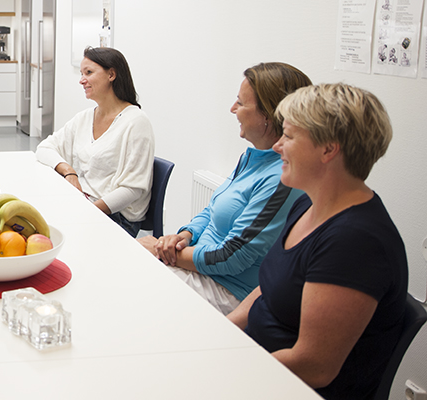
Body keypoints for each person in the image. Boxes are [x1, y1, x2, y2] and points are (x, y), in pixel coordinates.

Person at [227, 83, 408, 399]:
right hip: (260, 367)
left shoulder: (356, 242)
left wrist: (228, 373)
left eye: (290, 136)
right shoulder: (307, 204)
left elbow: (314, 366)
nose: (277, 146)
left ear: (329, 149)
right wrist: (221, 332)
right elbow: (266, 290)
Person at [138, 62, 311, 314]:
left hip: (228, 290)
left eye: (240, 103)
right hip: (200, 267)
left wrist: (164, 252)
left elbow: (233, 256)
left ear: (268, 114)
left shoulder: (282, 178)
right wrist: (184, 236)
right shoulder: (252, 157)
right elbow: (212, 209)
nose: (233, 109)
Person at [35, 46, 154, 237]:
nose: (82, 80)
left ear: (112, 74)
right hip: (84, 201)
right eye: (82, 73)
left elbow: (132, 190)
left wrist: (87, 213)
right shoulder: (84, 118)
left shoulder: (136, 122)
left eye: (88, 73)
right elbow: (44, 148)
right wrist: (69, 171)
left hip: (115, 216)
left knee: (46, 232)